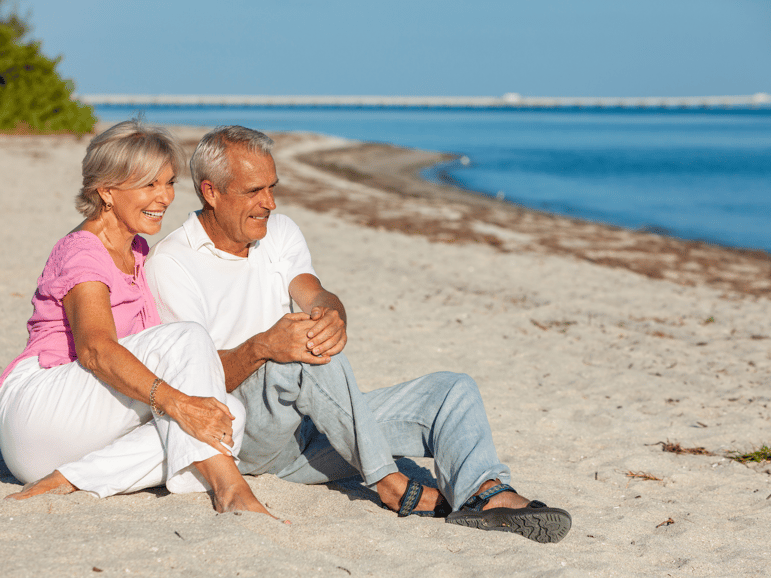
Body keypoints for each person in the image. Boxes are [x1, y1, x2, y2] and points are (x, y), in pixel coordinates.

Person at [145, 126, 572, 543]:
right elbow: (192, 386)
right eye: (254, 191)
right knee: (298, 354)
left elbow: (315, 293)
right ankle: (387, 482)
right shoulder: (172, 263)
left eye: (272, 187)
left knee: (451, 391)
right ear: (211, 192)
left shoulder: (281, 232)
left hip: (311, 431)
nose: (269, 202)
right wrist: (262, 347)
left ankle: (484, 495)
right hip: (240, 433)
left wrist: (331, 315)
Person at [0, 120, 276, 517]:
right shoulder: (84, 251)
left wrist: (189, 404)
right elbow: (95, 350)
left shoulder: (139, 250)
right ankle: (230, 488)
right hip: (38, 410)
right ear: (107, 191)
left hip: (71, 441)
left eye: (168, 183)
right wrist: (177, 403)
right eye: (149, 185)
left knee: (227, 412)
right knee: (186, 344)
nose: (163, 197)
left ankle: (73, 478)